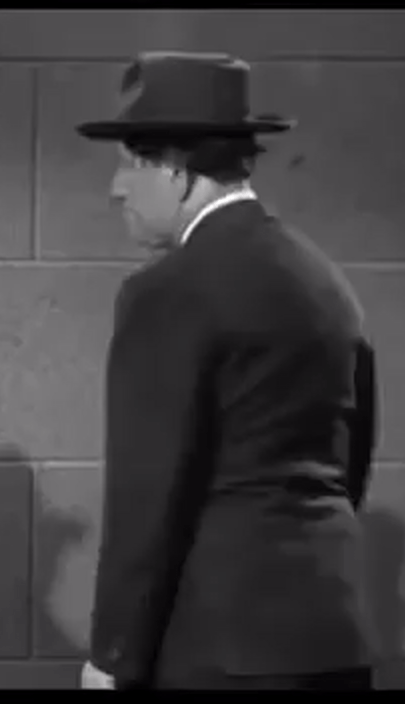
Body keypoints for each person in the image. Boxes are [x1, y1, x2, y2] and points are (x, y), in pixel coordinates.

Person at [76, 52, 378, 690]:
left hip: (220, 651)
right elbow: (348, 463)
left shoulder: (168, 292)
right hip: (333, 639)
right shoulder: (326, 283)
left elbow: (146, 496)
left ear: (177, 172)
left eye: (130, 164)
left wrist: (112, 656)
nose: (116, 189)